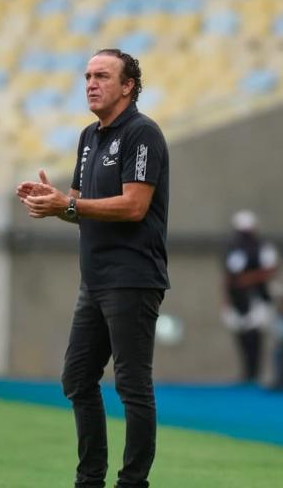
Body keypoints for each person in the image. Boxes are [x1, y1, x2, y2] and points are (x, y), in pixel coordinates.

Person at [16, 49, 169, 488]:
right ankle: (90, 480)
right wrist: (53, 203)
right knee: (77, 379)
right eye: (86, 76)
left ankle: (132, 482)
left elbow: (135, 206)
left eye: (102, 75)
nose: (90, 83)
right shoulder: (89, 137)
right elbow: (80, 208)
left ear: (128, 86)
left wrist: (68, 203)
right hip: (96, 280)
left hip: (134, 277)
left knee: (132, 386)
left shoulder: (143, 134)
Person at [221, 209, 277, 383]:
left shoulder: (262, 247)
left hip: (256, 298)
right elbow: (228, 276)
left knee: (255, 337)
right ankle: (246, 372)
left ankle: (254, 373)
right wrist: (227, 297)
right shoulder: (231, 249)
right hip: (238, 300)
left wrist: (247, 279)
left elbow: (270, 269)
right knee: (242, 337)